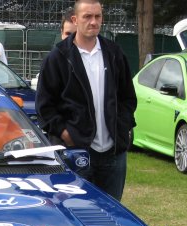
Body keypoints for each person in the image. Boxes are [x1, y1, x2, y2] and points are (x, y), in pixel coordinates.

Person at [36, 0, 136, 201]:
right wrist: (67, 134)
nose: (93, 22)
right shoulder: (58, 58)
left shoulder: (114, 53)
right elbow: (45, 107)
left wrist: (122, 127)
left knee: (111, 214)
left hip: (113, 154)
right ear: (75, 19)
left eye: (97, 16)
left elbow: (128, 98)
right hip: (76, 153)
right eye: (87, 16)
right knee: (75, 213)